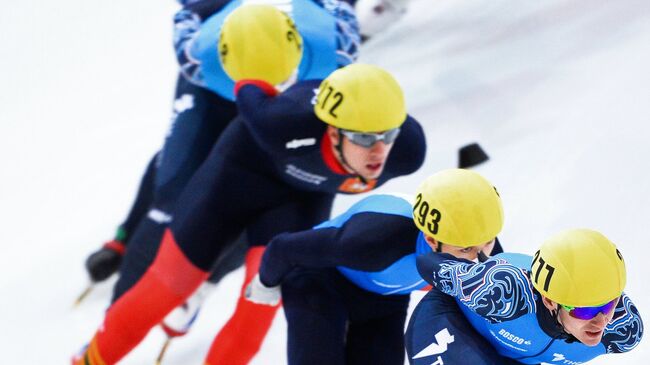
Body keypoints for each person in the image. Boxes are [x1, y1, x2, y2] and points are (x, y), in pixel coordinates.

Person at [73, 62, 427, 365]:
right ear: (333, 132)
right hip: (235, 179)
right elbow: (248, 86)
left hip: (298, 204)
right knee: (166, 287)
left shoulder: (407, 152)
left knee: (257, 309)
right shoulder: (283, 122)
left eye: (387, 135)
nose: (378, 150)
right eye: (364, 138)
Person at [79, 0, 360, 356]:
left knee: (271, 189)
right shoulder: (202, 54)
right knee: (175, 181)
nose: (266, 96)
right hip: (218, 84)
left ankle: (203, 282)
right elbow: (185, 15)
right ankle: (120, 289)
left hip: (293, 84)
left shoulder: (334, 48)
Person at [243, 168, 505, 364]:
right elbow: (283, 248)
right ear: (430, 239)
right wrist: (265, 283)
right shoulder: (373, 241)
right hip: (321, 280)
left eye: (487, 243)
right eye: (465, 250)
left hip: (384, 300)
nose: (478, 259)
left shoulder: (478, 243)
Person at [406, 228, 644, 365]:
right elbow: (427, 261)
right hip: (452, 323)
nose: (601, 321)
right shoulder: (503, 292)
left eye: (609, 305)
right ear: (550, 301)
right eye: (585, 310)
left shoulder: (623, 330)